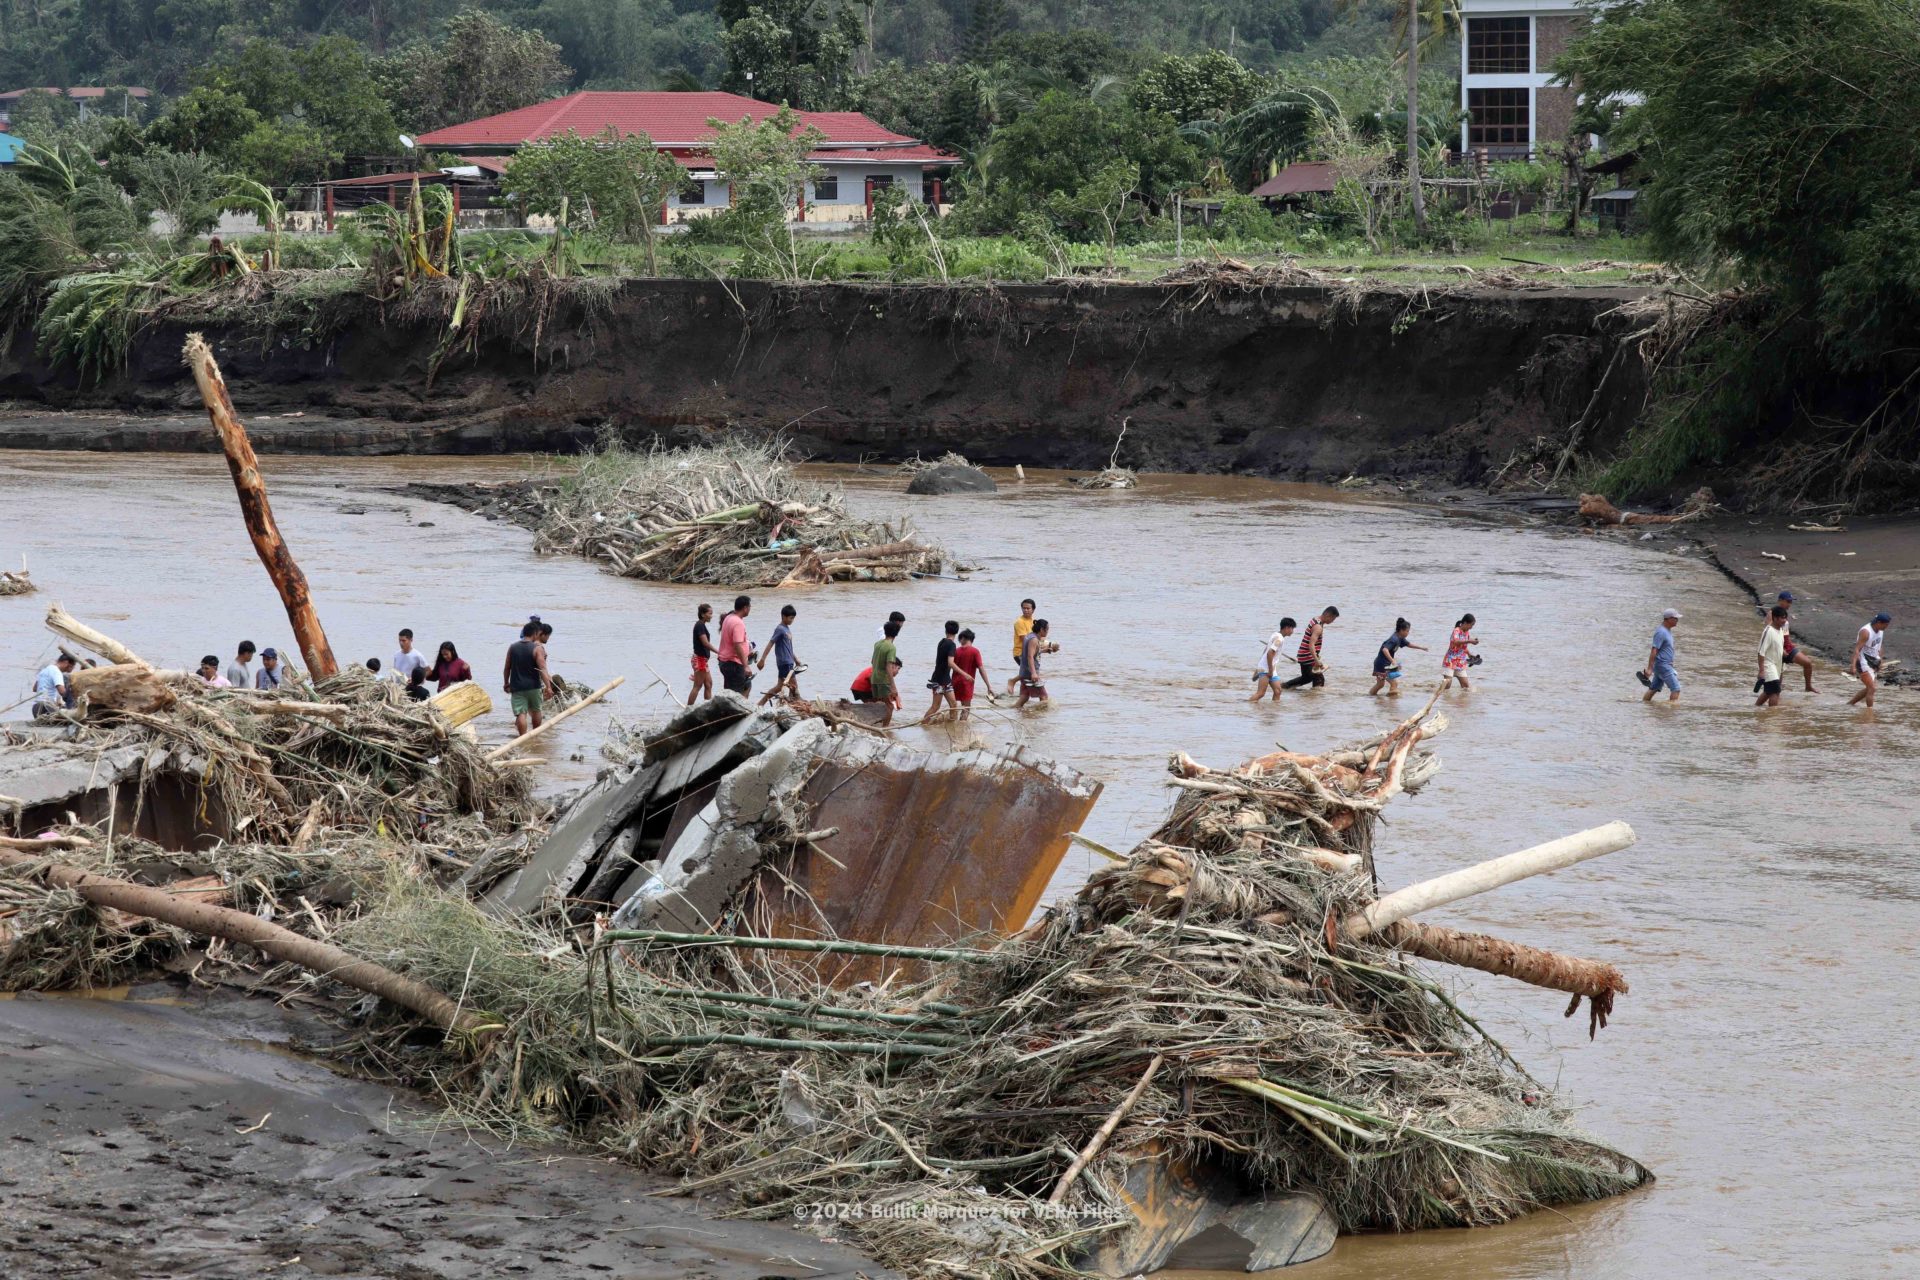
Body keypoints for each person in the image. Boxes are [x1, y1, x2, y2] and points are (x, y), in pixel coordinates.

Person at [503, 621, 552, 734]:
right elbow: (542, 669)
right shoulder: (537, 648)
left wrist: (506, 683)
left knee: (521, 713)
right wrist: (548, 687)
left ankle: (522, 737)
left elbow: (507, 668)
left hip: (517, 686)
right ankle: (535, 735)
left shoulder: (512, 647)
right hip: (534, 686)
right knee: (536, 710)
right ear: (535, 634)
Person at [1771, 591, 1818, 693]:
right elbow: (1770, 632)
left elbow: (1784, 632)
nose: (1789, 604)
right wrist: (1780, 648)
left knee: (1807, 663)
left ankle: (1808, 687)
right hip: (1777, 649)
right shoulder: (1772, 614)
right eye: (1788, 601)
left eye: (1791, 602)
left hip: (1787, 646)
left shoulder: (1784, 614)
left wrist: (1790, 642)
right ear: (1780, 601)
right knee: (1778, 682)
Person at [1282, 607, 1339, 689]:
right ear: (1328, 615)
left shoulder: (1316, 619)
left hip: (1304, 654)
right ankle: (1314, 699)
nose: (1332, 621)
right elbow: (1311, 645)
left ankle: (1284, 687)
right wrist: (1316, 660)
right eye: (1333, 619)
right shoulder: (1318, 627)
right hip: (1307, 656)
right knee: (1319, 679)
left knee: (1307, 678)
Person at [1368, 618, 1427, 697]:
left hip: (1383, 663)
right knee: (1394, 683)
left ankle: (1370, 697)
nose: (1408, 633)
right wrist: (1392, 660)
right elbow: (1385, 649)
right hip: (1382, 664)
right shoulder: (1394, 639)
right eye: (1407, 631)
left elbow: (1409, 644)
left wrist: (1421, 648)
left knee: (1380, 684)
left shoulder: (1400, 638)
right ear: (1401, 630)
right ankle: (1392, 705)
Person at [758, 605, 802, 705]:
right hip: (784, 662)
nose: (792, 620)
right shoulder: (780, 629)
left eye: (793, 618)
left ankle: (761, 703)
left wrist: (796, 660)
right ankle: (795, 704)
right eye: (790, 618)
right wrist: (762, 659)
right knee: (794, 686)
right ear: (783, 616)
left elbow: (789, 648)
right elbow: (771, 643)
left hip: (789, 662)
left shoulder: (787, 629)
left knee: (780, 687)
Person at [1848, 612, 1892, 708]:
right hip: (1863, 661)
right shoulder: (1866, 632)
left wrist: (1880, 660)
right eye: (1886, 624)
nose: (1887, 627)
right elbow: (1857, 649)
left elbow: (1879, 645)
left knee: (1869, 688)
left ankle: (1850, 704)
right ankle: (1869, 714)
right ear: (1879, 622)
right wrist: (1853, 666)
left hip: (1874, 661)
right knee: (1872, 688)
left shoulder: (1880, 630)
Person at [1251, 618, 1296, 703]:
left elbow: (1266, 650)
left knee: (1278, 691)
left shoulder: (1275, 634)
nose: (1292, 631)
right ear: (1286, 628)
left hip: (1268, 667)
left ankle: (1274, 711)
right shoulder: (1279, 639)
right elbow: (1269, 653)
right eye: (1292, 628)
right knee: (1261, 693)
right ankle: (1245, 705)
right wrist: (1270, 670)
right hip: (1266, 668)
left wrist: (1259, 666)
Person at [1640, 609, 1681, 702]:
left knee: (1654, 688)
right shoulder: (1661, 632)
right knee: (1676, 688)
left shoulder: (1666, 630)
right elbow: (1654, 650)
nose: (1677, 620)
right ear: (1668, 619)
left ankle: (1644, 705)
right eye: (1675, 618)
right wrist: (1650, 669)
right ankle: (1672, 712)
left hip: (1662, 665)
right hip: (1663, 665)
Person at [924, 620, 961, 723]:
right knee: (935, 707)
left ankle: (951, 726)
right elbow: (950, 663)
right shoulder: (952, 645)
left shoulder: (942, 642)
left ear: (946, 630)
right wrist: (964, 673)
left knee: (953, 705)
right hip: (940, 682)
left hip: (944, 680)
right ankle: (923, 724)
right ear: (956, 632)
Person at [717, 595, 753, 696]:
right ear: (745, 608)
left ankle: (727, 710)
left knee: (730, 692)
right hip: (733, 664)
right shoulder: (738, 623)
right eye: (749, 607)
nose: (750, 609)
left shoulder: (729, 617)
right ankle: (739, 711)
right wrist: (745, 666)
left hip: (725, 662)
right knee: (742, 690)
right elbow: (737, 645)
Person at [1015, 619, 1053, 708]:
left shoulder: (1029, 636)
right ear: (1041, 630)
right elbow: (1030, 656)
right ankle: (1041, 719)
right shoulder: (1034, 640)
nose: (1047, 631)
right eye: (1047, 629)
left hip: (1024, 672)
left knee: (1024, 697)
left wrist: (1044, 650)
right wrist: (1033, 673)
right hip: (1029, 673)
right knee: (1044, 697)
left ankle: (1012, 711)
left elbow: (1032, 652)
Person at [952, 628, 989, 720]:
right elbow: (981, 669)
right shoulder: (975, 651)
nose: (960, 641)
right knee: (967, 708)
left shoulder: (956, 651)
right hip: (967, 683)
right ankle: (962, 728)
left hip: (955, 682)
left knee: (959, 706)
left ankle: (954, 725)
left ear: (963, 638)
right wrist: (988, 686)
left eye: (960, 639)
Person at [870, 619, 902, 725]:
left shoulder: (877, 644)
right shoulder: (891, 647)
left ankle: (876, 726)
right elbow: (889, 667)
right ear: (896, 633)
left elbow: (872, 661)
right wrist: (893, 686)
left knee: (880, 704)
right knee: (889, 706)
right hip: (883, 680)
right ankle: (885, 729)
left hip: (874, 678)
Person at [1756, 606, 1788, 707]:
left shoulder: (1781, 630)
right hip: (1768, 665)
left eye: (1785, 618)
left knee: (1769, 692)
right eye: (1782, 618)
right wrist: (1761, 670)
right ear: (1774, 618)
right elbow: (1761, 652)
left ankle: (1756, 707)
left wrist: (1783, 652)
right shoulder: (1768, 631)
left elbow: (1778, 644)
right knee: (1775, 691)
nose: (1784, 620)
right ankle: (1772, 717)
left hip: (1778, 665)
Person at [1005, 599, 1037, 696]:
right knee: (1029, 673)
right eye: (1024, 608)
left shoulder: (1033, 621)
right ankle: (1012, 681)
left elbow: (1037, 637)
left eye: (1028, 608)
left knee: (1028, 675)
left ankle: (1022, 697)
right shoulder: (1019, 622)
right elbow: (1026, 640)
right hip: (1020, 653)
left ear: (1033, 610)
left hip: (1030, 652)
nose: (1026, 610)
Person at [31, 653, 76, 720]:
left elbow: (35, 688)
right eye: (72, 666)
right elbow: (62, 691)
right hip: (46, 707)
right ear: (66, 663)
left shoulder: (44, 670)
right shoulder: (57, 672)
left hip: (36, 707)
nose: (72, 669)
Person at [1441, 614, 1478, 691]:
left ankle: (1462, 701)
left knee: (1466, 687)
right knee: (1447, 685)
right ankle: (1439, 695)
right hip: (1450, 660)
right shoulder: (1456, 631)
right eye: (1471, 625)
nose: (1471, 627)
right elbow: (1456, 642)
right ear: (1465, 623)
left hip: (1460, 662)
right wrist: (1470, 641)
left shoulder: (1467, 633)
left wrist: (1469, 654)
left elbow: (1463, 647)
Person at [688, 604, 715, 705]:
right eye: (710, 613)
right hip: (699, 659)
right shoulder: (699, 625)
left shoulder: (702, 625)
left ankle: (707, 707)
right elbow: (705, 643)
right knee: (697, 686)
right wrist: (719, 652)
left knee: (708, 684)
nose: (711, 616)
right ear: (703, 614)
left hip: (702, 659)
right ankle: (688, 709)